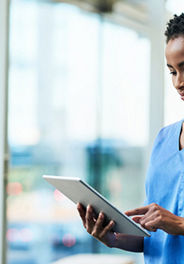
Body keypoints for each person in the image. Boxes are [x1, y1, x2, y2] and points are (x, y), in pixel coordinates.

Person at [77, 13, 184, 263]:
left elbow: (174, 225)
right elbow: (153, 237)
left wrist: (179, 223)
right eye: (172, 71)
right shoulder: (164, 140)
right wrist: (112, 237)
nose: (179, 82)